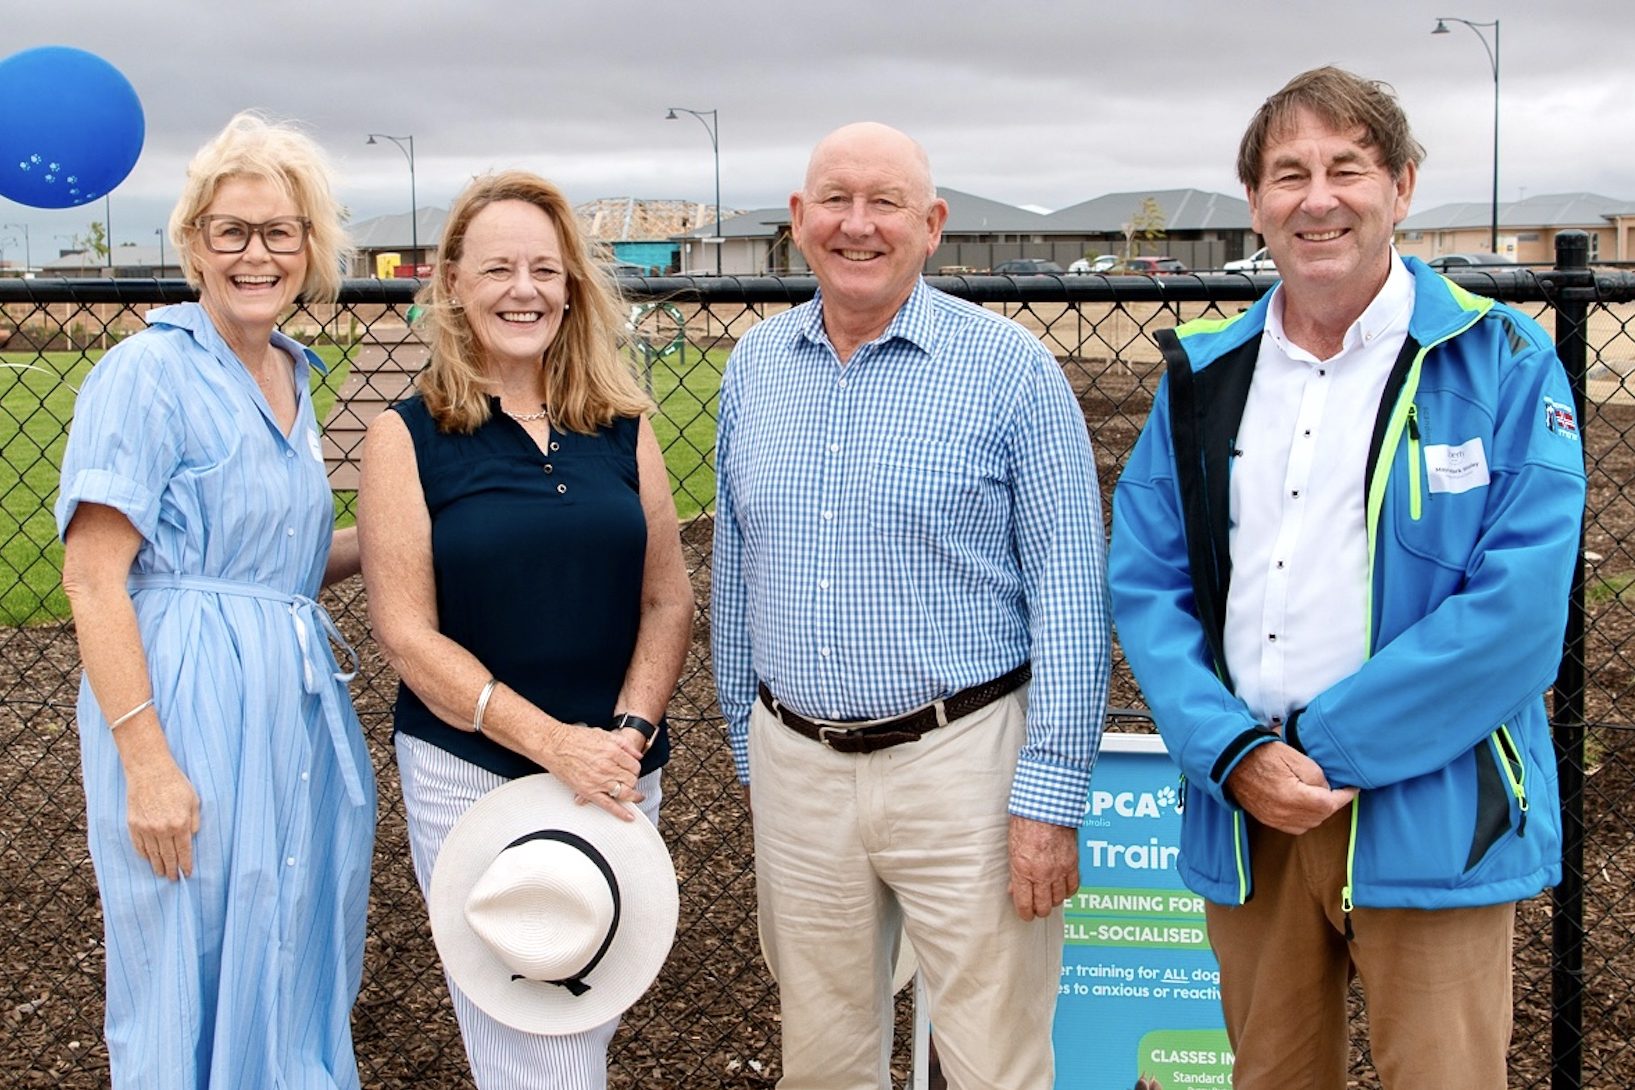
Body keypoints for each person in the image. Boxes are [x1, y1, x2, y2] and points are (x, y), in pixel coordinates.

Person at [1109, 67, 1586, 1088]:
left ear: (1402, 187)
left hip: (1434, 812)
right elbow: (1148, 585)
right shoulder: (1205, 377)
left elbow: (1522, 609)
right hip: (1250, 818)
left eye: (1346, 168)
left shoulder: (1500, 361)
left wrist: (1317, 749)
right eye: (1288, 174)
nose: (1316, 198)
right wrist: (1235, 753)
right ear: (1255, 203)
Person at [712, 121, 1111, 1090]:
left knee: (992, 1059)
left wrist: (1049, 795)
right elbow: (735, 571)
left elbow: (1070, 596)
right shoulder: (754, 371)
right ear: (798, 222)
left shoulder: (1010, 374)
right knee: (823, 1056)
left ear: (931, 225)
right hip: (798, 762)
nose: (859, 224)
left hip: (964, 766)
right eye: (835, 200)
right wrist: (747, 746)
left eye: (885, 201)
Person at [56, 112, 373, 1089]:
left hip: (289, 705)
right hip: (184, 703)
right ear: (192, 241)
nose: (256, 253)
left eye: (280, 232)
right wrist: (146, 762)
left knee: (282, 941)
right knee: (187, 954)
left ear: (309, 247)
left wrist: (411, 542)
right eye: (231, 231)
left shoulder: (290, 372)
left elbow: (273, 564)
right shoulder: (147, 371)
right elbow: (93, 574)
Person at [357, 170, 692, 1089]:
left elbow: (667, 600)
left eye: (545, 269)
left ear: (573, 286)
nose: (524, 289)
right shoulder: (408, 436)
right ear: (453, 285)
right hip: (473, 772)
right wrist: (554, 746)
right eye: (498, 267)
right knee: (527, 1039)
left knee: (586, 1011)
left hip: (619, 769)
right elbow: (407, 635)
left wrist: (625, 734)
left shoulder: (622, 426)